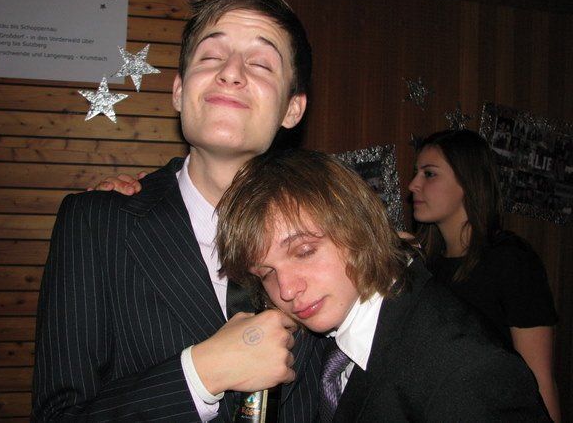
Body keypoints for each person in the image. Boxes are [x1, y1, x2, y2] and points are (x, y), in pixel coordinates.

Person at [32, 0, 328, 422]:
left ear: (292, 109)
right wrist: (203, 373)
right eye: (210, 56)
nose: (231, 72)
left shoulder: (333, 236)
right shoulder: (95, 224)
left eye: (260, 63)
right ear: (178, 91)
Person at [215, 148, 551, 421]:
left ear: (358, 226)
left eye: (304, 251)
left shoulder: (467, 370)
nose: (286, 290)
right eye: (266, 273)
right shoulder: (330, 328)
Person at [408, 129, 560, 422]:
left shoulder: (511, 260)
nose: (413, 184)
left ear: (467, 181)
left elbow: (539, 378)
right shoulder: (425, 265)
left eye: (429, 174)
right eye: (416, 173)